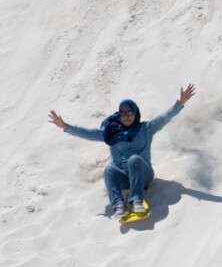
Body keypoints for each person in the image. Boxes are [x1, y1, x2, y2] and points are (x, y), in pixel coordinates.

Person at [48, 84, 196, 219]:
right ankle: (119, 205)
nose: (126, 116)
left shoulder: (146, 129)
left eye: (130, 113)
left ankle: (137, 200)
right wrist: (66, 127)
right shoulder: (111, 134)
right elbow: (89, 134)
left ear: (136, 113)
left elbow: (165, 117)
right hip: (123, 177)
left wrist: (180, 103)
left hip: (144, 174)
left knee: (134, 159)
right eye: (123, 114)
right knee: (109, 170)